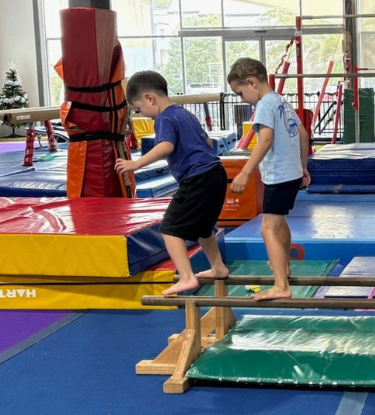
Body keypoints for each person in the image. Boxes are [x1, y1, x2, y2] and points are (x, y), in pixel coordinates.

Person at [115, 71, 229, 295]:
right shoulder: (185, 113)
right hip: (216, 173)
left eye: (140, 109)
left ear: (149, 98)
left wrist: (135, 164)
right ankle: (218, 267)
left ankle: (186, 277)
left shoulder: (164, 118)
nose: (143, 114)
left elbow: (166, 146)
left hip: (198, 178)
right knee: (203, 228)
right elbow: (207, 141)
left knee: (169, 228)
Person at [227, 57, 311, 301]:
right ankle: (283, 267)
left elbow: (265, 140)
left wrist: (245, 171)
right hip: (292, 173)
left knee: (268, 229)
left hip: (279, 176)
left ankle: (281, 285)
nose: (243, 99)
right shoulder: (282, 101)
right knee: (279, 222)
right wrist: (303, 167)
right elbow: (303, 135)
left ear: (252, 82)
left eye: (241, 93)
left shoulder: (264, 104)